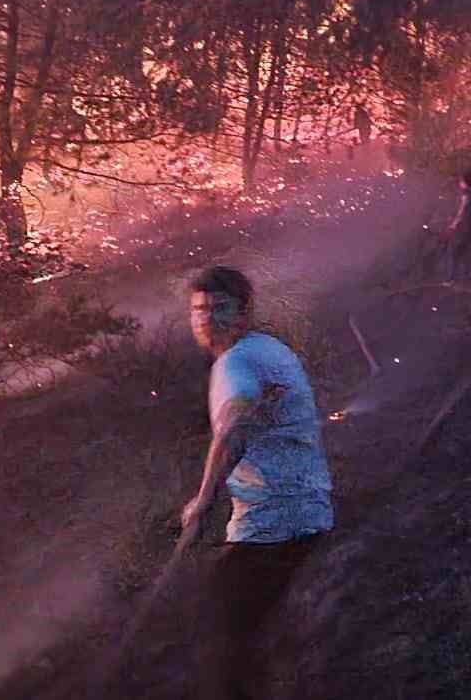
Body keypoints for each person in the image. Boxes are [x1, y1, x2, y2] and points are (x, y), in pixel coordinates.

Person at [180, 266, 334, 700]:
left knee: (222, 642)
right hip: (304, 509)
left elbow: (234, 426)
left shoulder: (237, 363)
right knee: (250, 636)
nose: (207, 319)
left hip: (272, 522)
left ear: (244, 311)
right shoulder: (268, 349)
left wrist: (203, 501)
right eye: (199, 310)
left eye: (219, 308)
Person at [445, 170, 471, 283]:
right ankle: (467, 277)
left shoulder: (466, 194)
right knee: (467, 252)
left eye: (461, 181)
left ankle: (451, 279)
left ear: (464, 182)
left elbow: (462, 211)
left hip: (464, 228)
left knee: (454, 252)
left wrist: (454, 224)